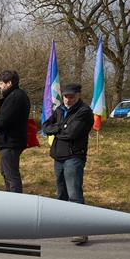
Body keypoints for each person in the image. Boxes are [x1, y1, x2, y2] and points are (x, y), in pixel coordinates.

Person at [42, 83, 94, 244]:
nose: (68, 99)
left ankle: (80, 231)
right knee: (61, 194)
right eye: (65, 96)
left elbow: (72, 133)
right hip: (59, 157)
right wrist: (61, 127)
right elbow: (45, 127)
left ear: (78, 95)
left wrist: (57, 129)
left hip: (74, 157)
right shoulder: (59, 110)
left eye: (71, 96)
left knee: (74, 195)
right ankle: (63, 225)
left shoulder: (84, 112)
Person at [0, 70, 31, 193]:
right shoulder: (15, 96)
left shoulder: (15, 97)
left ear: (9, 83)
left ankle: (15, 203)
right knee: (6, 172)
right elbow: (7, 118)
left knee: (11, 175)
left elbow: (3, 122)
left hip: (11, 141)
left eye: (1, 83)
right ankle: (11, 199)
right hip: (9, 141)